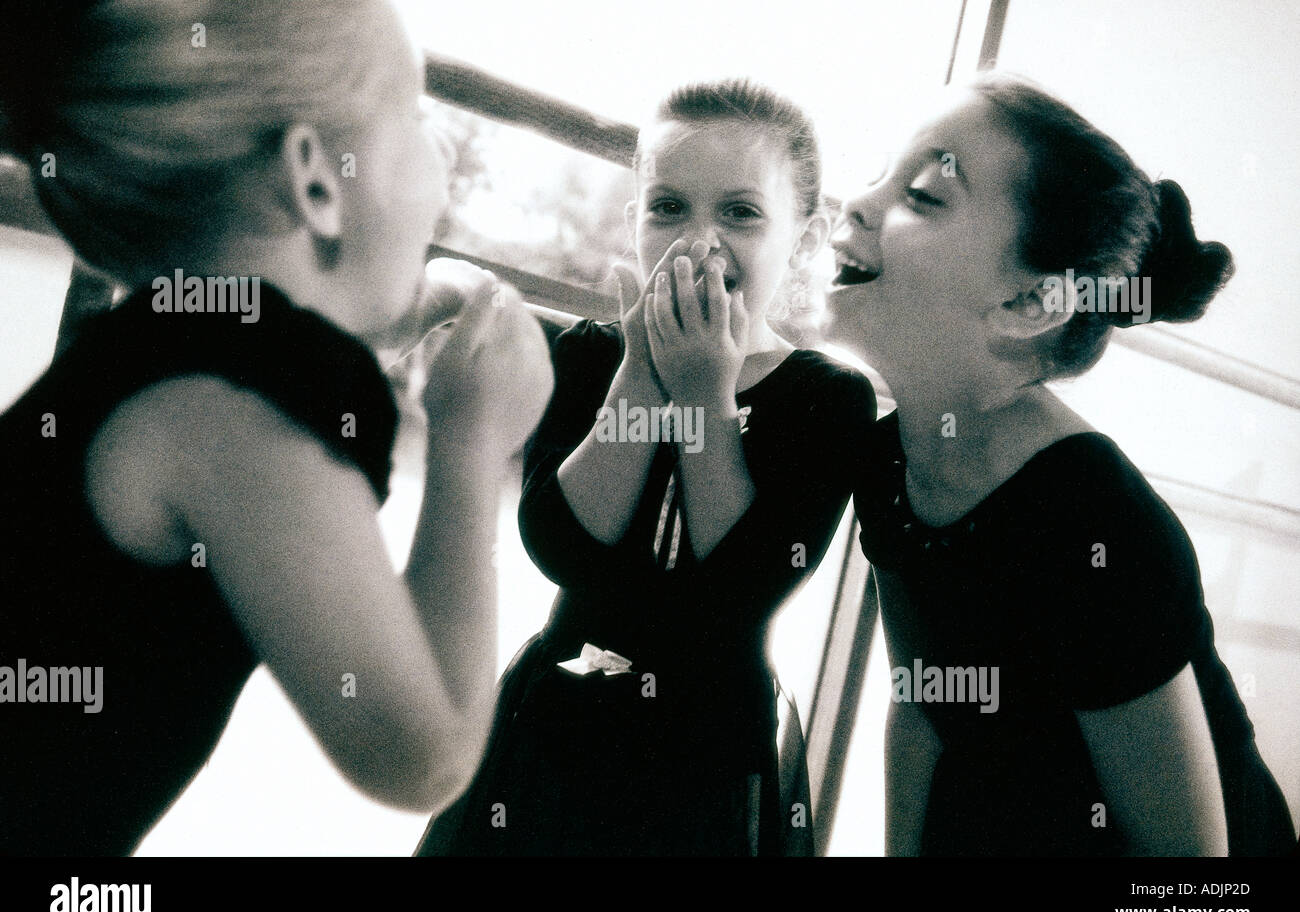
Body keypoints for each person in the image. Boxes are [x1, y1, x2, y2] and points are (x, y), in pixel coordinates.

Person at [0, 0, 552, 855]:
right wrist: (471, 441)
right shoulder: (245, 397)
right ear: (319, 179)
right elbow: (422, 753)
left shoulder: (163, 350)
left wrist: (366, 335)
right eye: (412, 117)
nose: (438, 155)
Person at [826, 74, 1295, 855]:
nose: (858, 203)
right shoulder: (888, 459)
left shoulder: (1092, 527)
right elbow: (921, 702)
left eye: (921, 193)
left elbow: (1192, 880)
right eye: (878, 173)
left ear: (1027, 304)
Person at [416, 79, 877, 856]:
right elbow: (559, 545)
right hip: (557, 718)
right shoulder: (593, 355)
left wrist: (702, 393)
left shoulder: (828, 397)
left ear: (802, 234)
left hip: (710, 754)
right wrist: (639, 376)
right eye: (669, 206)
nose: (699, 241)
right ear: (634, 223)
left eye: (740, 211)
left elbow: (740, 585)